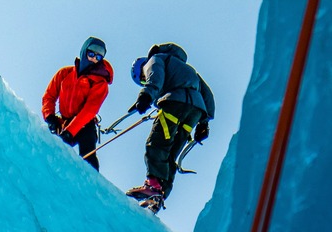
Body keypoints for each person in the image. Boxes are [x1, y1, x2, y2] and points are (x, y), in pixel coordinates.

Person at [124, 43, 215, 213]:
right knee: (171, 152)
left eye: (142, 79)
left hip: (175, 103)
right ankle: (159, 194)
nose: (144, 80)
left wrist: (146, 95)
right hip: (195, 111)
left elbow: (155, 78)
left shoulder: (155, 59)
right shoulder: (187, 68)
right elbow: (207, 94)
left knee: (157, 144)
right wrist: (204, 123)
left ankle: (152, 186)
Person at [41, 37, 113, 170]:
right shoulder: (65, 73)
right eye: (91, 53)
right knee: (51, 148)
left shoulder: (99, 83)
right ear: (84, 51)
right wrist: (50, 117)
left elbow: (89, 110)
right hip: (63, 122)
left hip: (84, 124)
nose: (94, 59)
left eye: (99, 56)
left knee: (88, 153)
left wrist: (70, 132)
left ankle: (92, 184)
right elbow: (49, 96)